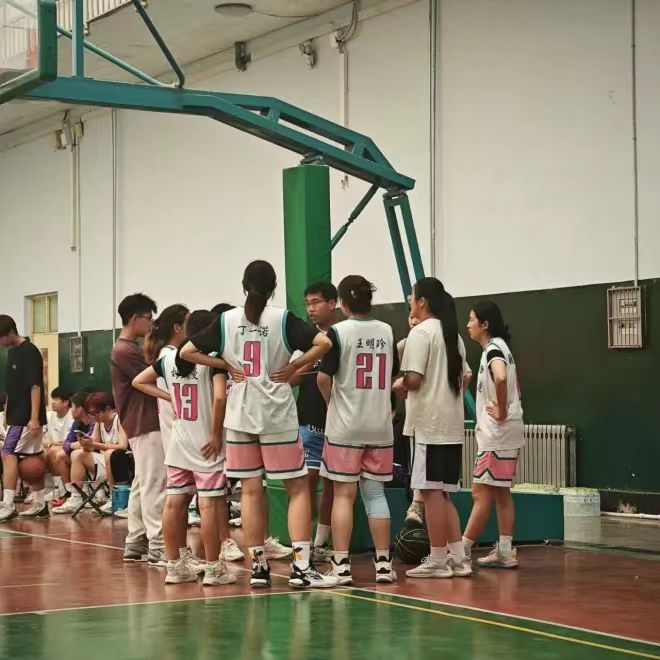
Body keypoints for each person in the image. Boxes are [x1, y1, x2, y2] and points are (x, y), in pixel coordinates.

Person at [181, 260, 336, 589]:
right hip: (276, 415)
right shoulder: (283, 319)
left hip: (240, 415)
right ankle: (301, 567)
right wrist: (295, 366)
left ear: (243, 286)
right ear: (273, 288)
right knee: (297, 489)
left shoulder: (226, 320)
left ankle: (260, 569)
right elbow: (324, 343)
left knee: (251, 491)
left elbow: (187, 352)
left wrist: (225, 364)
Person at [135, 309, 238, 586]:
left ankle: (175, 567)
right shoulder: (212, 361)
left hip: (180, 441)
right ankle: (214, 569)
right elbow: (220, 398)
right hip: (205, 443)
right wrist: (215, 434)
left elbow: (139, 381)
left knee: (175, 502)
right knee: (208, 503)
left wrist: (170, 396)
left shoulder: (168, 359)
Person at [318, 275, 398, 585]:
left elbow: (323, 378)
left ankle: (341, 566)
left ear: (341, 302)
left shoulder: (338, 332)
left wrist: (332, 405)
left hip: (346, 427)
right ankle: (383, 565)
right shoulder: (387, 331)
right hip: (379, 426)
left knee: (343, 494)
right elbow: (391, 374)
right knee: (375, 494)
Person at [395, 278, 471, 579]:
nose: (410, 303)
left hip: (428, 425)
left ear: (422, 301)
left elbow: (414, 379)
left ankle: (438, 559)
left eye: (412, 298)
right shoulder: (454, 335)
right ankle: (459, 558)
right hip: (451, 425)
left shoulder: (421, 333)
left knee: (430, 493)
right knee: (444, 494)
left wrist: (399, 384)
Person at [463, 301, 524, 569]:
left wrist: (500, 409)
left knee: (481, 492)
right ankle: (505, 551)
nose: (468, 324)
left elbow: (500, 377)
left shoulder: (493, 350)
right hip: (508, 432)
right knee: (501, 493)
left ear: (485, 324)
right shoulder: (501, 348)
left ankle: (461, 550)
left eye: (472, 319)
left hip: (497, 434)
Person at [111, 293, 166, 566]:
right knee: (155, 483)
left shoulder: (126, 349)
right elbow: (155, 376)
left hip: (139, 422)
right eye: (148, 318)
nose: (151, 324)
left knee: (143, 482)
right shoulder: (126, 351)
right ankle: (158, 544)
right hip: (145, 422)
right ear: (134, 319)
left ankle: (135, 539)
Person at [291, 282, 337, 563]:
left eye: (316, 302)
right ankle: (303, 543)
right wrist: (315, 355)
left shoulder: (343, 335)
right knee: (307, 482)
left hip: (338, 424)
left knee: (333, 485)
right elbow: (292, 378)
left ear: (332, 303)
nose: (311, 308)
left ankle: (321, 542)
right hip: (308, 421)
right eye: (307, 303)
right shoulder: (305, 338)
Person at [0, 315, 49, 521]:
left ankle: (8, 504)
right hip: (15, 416)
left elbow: (35, 386)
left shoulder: (30, 352)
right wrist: (7, 412)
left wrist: (34, 417)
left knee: (7, 452)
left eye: (1, 337)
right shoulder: (12, 352)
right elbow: (12, 387)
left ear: (11, 332)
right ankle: (40, 503)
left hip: (26, 418)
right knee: (31, 459)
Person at [77, 392, 127, 516]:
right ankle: (76, 497)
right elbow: (94, 443)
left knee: (109, 454)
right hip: (106, 461)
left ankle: (113, 498)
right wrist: (86, 444)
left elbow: (123, 446)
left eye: (96, 413)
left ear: (108, 409)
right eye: (91, 414)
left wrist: (95, 445)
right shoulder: (99, 423)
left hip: (123, 461)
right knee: (78, 454)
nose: (93, 417)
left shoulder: (119, 419)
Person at [50, 391, 96, 514]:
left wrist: (78, 446)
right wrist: (72, 445)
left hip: (94, 458)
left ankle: (79, 494)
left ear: (80, 408)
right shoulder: (77, 422)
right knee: (60, 455)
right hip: (80, 457)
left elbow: (90, 444)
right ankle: (71, 493)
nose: (71, 410)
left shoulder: (94, 422)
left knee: (77, 453)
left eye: (73, 406)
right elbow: (67, 443)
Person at [44, 387, 74, 500]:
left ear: (66, 402)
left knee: (53, 451)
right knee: (42, 454)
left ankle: (63, 489)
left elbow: (71, 440)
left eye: (56, 399)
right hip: (53, 449)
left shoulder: (72, 415)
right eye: (52, 399)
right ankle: (58, 488)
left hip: (69, 449)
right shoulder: (48, 416)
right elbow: (42, 438)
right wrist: (50, 444)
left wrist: (55, 445)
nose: (53, 402)